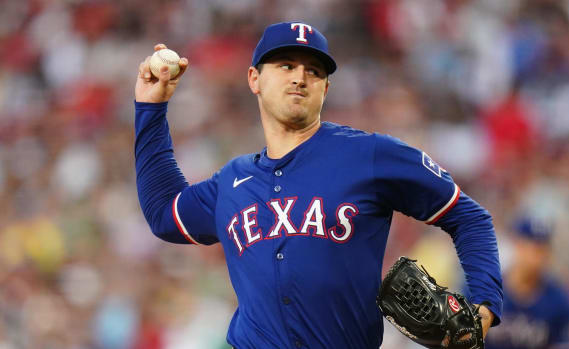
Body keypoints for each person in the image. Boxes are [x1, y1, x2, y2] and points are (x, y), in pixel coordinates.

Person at [133, 21, 503, 349]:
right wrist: (151, 108)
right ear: (254, 79)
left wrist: (485, 305)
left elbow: (468, 217)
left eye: (314, 71)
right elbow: (165, 213)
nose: (300, 77)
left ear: (325, 89)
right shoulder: (231, 181)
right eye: (286, 66)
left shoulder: (369, 154)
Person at [485, 218, 569, 349]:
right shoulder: (483, 291)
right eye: (533, 248)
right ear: (517, 246)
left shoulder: (560, 302)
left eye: (543, 250)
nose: (538, 258)